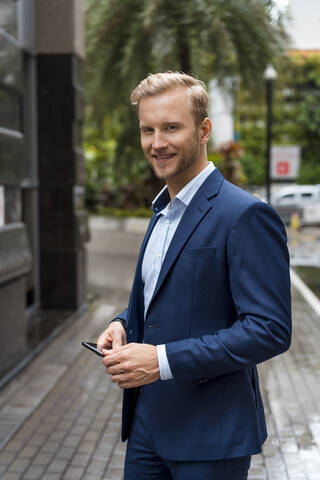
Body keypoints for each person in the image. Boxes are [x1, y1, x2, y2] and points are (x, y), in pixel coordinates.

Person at [97, 72, 291, 479]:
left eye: (171, 127)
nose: (157, 142)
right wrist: (122, 323)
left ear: (204, 130)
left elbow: (269, 329)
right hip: (147, 427)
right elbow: (162, 295)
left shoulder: (244, 215)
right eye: (147, 130)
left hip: (210, 437)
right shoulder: (161, 212)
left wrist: (161, 360)